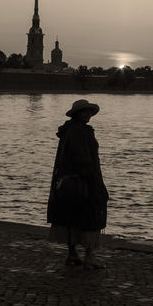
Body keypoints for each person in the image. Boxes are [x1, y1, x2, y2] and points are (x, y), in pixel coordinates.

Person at [47, 99, 109, 270]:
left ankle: (72, 254)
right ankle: (89, 255)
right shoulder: (80, 132)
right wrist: (95, 181)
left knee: (69, 216)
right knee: (92, 214)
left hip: (67, 182)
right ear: (78, 114)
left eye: (89, 112)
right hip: (84, 180)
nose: (88, 115)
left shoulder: (68, 130)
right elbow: (84, 159)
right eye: (85, 112)